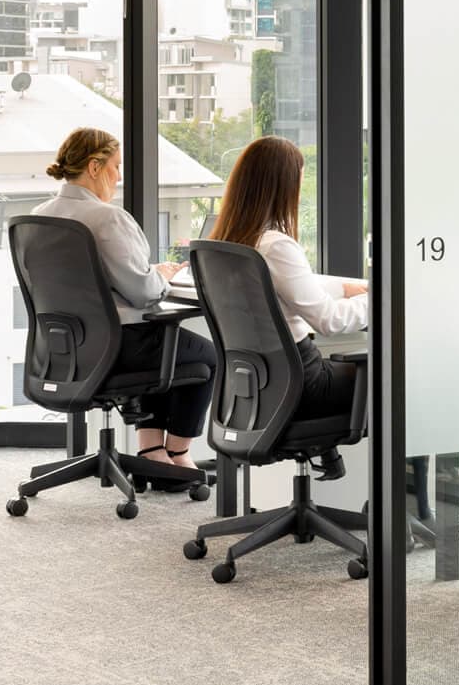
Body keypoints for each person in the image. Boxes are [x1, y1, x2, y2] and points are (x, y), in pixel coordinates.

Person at [33, 128, 219, 481]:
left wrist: (146, 276)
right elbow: (144, 293)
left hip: (63, 350)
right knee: (206, 358)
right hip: (118, 346)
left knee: (169, 349)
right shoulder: (108, 218)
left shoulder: (38, 216)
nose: (119, 176)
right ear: (94, 166)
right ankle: (178, 456)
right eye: (116, 167)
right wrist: (161, 275)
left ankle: (152, 451)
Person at [208, 135, 369, 418]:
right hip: (306, 383)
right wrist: (381, 300)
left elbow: (285, 286)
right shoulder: (276, 245)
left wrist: (344, 288)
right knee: (402, 377)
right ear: (283, 187)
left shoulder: (229, 246)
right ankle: (407, 464)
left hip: (263, 385)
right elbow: (329, 320)